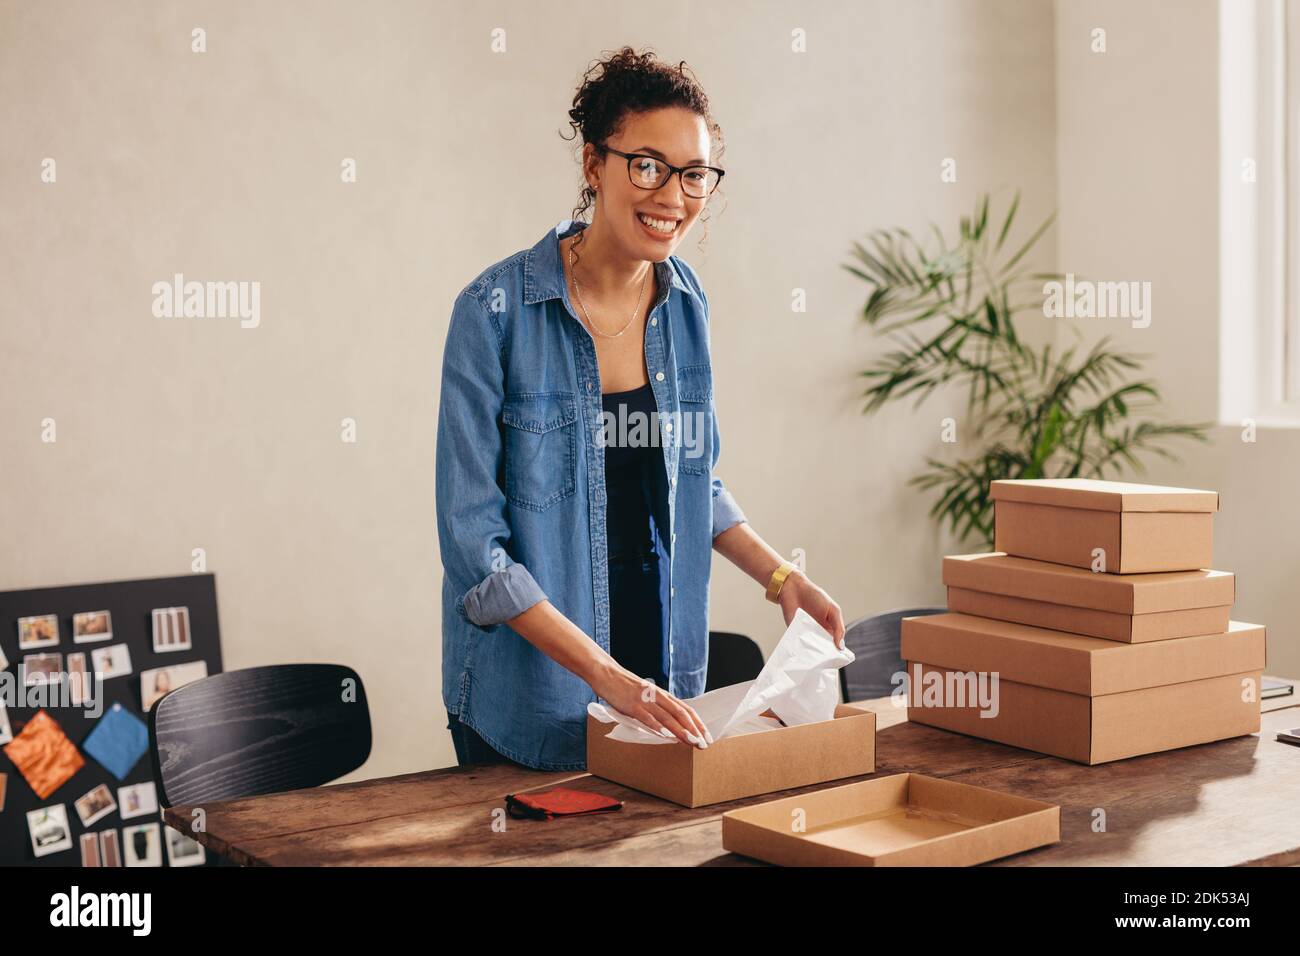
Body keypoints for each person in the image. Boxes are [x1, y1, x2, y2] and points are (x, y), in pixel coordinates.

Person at [437, 46, 844, 771]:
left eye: (694, 175)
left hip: (658, 681)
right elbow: (476, 550)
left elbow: (698, 479)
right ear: (595, 165)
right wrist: (605, 678)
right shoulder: (493, 313)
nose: (674, 196)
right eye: (648, 166)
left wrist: (786, 580)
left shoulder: (685, 305)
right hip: (537, 699)